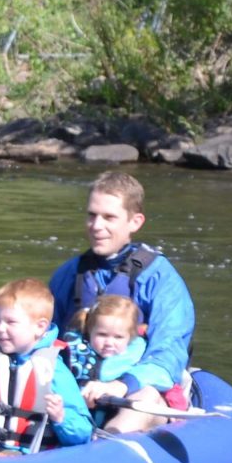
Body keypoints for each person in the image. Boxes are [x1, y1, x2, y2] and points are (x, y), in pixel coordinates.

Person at [48, 171, 195, 420]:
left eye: (109, 218)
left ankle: (107, 447)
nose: (97, 226)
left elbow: (169, 351)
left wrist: (122, 384)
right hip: (75, 394)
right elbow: (44, 334)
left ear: (135, 222)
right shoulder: (69, 274)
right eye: (92, 215)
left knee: (146, 397)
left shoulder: (160, 278)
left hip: (134, 391)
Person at [0, 279, 94, 454]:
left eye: (10, 322)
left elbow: (83, 434)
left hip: (27, 455)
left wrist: (61, 417)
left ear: (40, 327)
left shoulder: (54, 371)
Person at [62, 295, 171, 435]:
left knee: (149, 393)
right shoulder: (72, 352)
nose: (109, 342)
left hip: (120, 415)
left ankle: (108, 441)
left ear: (130, 337)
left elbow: (163, 377)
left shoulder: (140, 356)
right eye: (102, 334)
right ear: (90, 331)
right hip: (78, 422)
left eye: (118, 337)